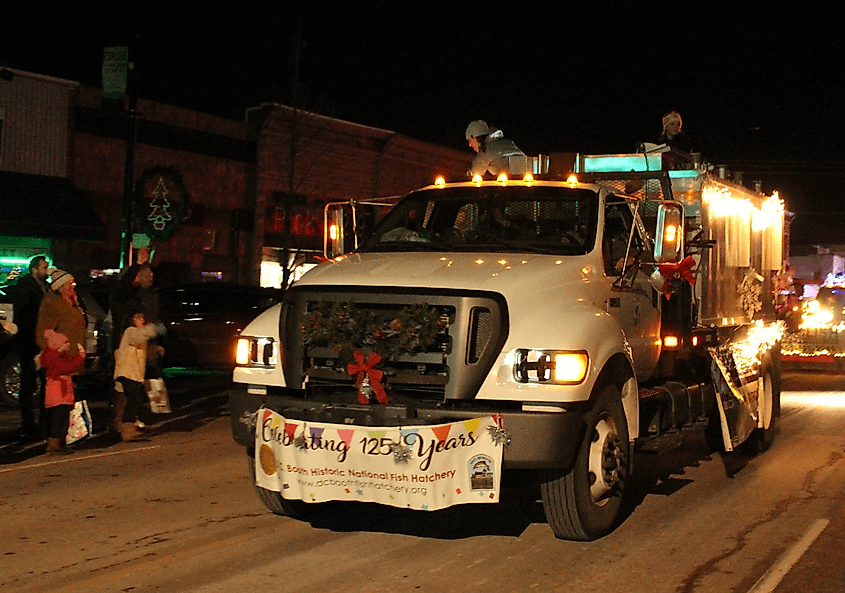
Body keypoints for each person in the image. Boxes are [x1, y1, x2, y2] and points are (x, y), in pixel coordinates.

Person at [12, 255, 50, 440]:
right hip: (29, 341)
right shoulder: (26, 286)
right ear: (34, 269)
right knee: (28, 383)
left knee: (45, 382)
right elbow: (23, 312)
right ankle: (28, 424)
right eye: (44, 267)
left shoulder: (45, 286)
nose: (47, 270)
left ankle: (43, 423)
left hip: (41, 340)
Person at [113, 307, 161, 441]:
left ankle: (122, 426)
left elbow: (142, 352)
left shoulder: (139, 335)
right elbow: (137, 338)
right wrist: (153, 329)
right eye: (138, 318)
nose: (142, 320)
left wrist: (154, 350)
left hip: (134, 373)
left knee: (129, 400)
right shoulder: (130, 332)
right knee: (135, 398)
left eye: (142, 317)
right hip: (127, 372)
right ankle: (127, 429)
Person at [39, 329, 85, 454]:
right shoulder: (54, 359)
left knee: (62, 420)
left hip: (61, 394)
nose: (68, 344)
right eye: (66, 342)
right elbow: (68, 367)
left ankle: (59, 443)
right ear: (59, 345)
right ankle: (54, 445)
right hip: (58, 395)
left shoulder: (58, 357)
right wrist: (80, 356)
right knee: (58, 421)